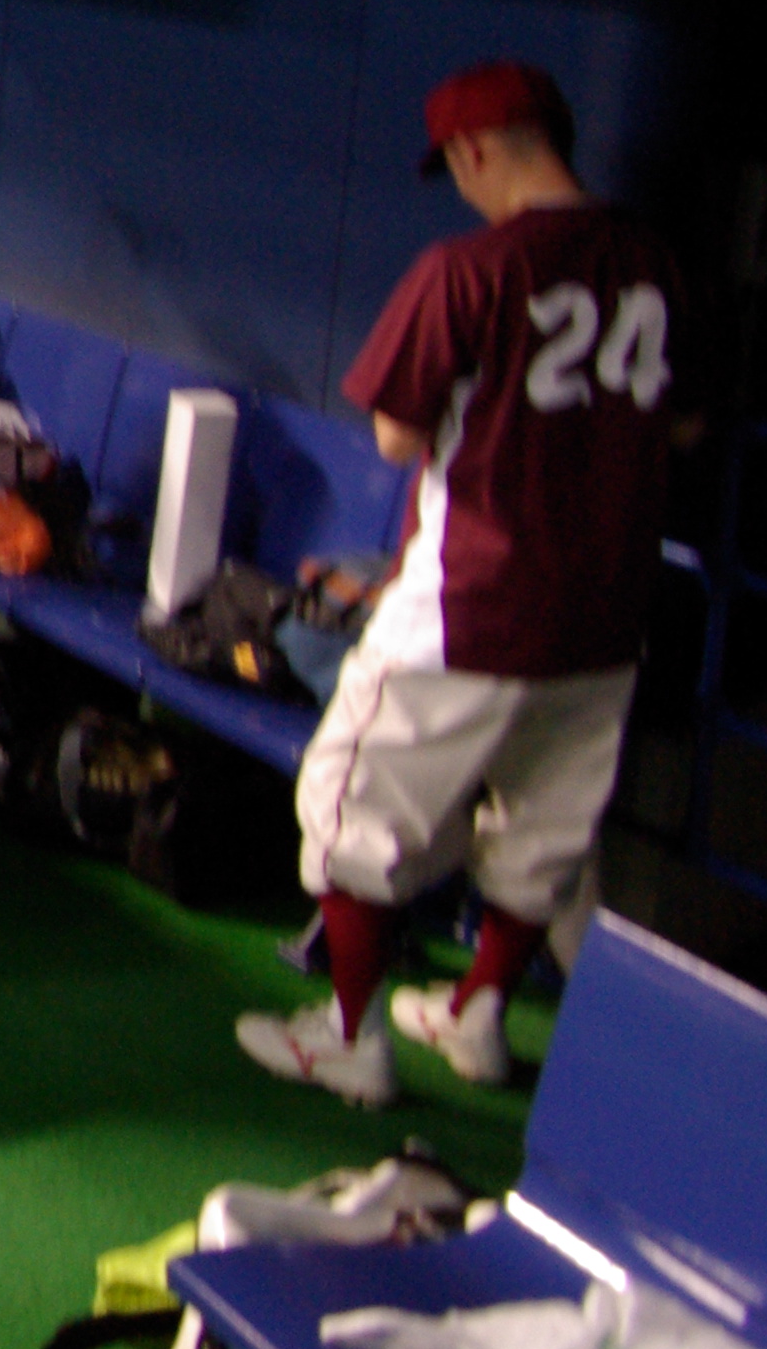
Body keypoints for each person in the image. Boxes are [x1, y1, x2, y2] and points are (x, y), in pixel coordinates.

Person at [238, 62, 691, 1107]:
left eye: (456, 165)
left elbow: (397, 435)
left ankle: (347, 1035)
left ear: (476, 150)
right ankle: (475, 1012)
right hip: (606, 615)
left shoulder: (471, 267)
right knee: (541, 831)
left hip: (471, 601)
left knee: (346, 811)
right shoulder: (657, 263)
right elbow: (684, 425)